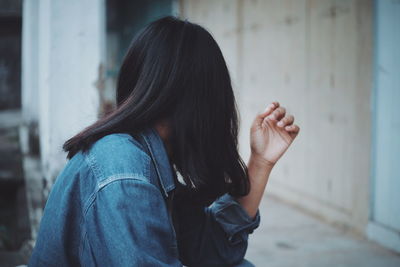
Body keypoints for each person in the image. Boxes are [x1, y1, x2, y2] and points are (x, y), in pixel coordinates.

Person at [28, 16, 299, 267]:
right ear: (203, 102)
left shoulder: (149, 160)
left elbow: (210, 252)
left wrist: (260, 163)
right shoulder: (125, 170)